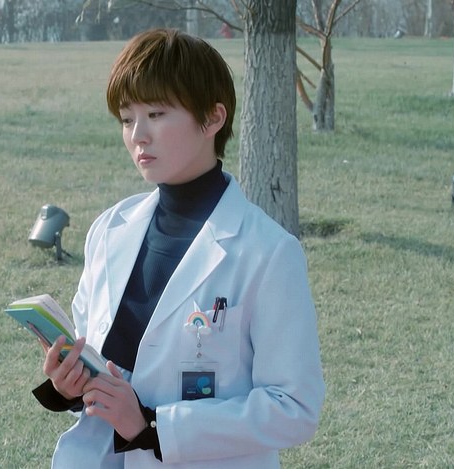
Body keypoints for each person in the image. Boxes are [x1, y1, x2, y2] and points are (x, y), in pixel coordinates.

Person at [32, 28, 325, 468]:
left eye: (156, 113)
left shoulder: (267, 252)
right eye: (127, 119)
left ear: (212, 118)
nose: (138, 135)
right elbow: (99, 366)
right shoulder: (109, 230)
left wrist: (153, 427)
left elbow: (294, 408)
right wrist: (70, 385)